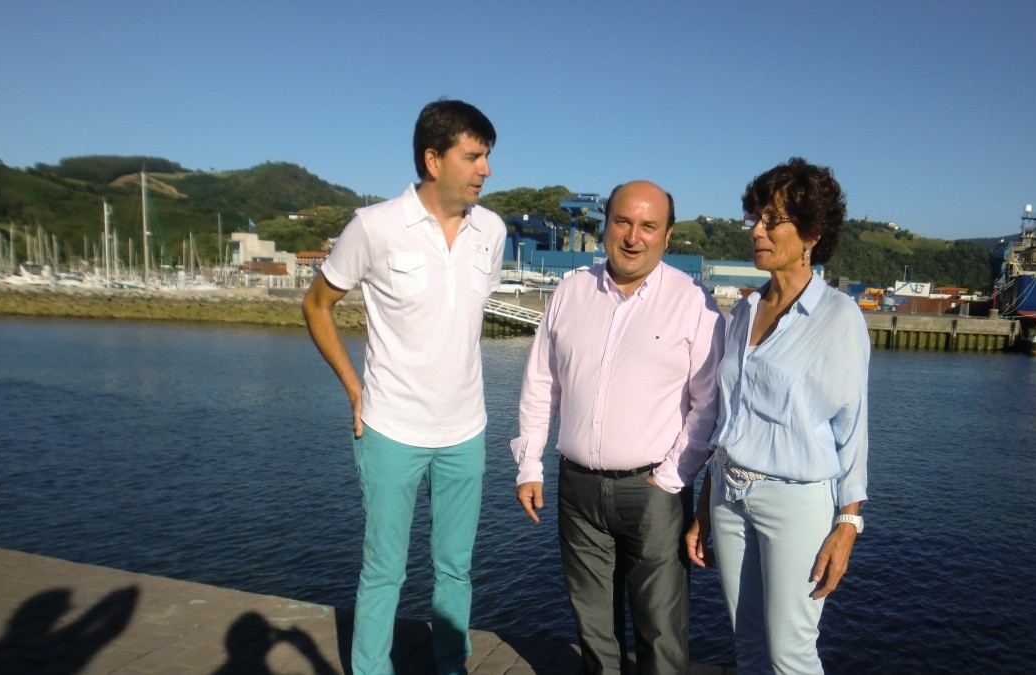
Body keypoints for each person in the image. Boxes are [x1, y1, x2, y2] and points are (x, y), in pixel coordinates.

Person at [302, 99, 505, 675]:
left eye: (487, 156)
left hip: (466, 430)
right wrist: (354, 389)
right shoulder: (374, 227)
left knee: (455, 568)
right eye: (474, 156)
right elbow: (317, 304)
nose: (486, 169)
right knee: (384, 569)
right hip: (391, 430)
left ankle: (451, 667)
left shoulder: (491, 230)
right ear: (433, 160)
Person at [512, 180, 725, 675]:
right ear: (605, 225)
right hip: (577, 489)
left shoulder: (692, 301)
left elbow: (709, 404)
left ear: (667, 235)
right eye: (623, 222)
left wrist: (670, 478)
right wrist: (529, 465)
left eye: (648, 226)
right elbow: (541, 383)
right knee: (593, 628)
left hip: (652, 491)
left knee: (660, 630)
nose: (633, 237)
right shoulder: (571, 292)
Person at [684, 158, 869, 674]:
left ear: (811, 233)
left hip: (795, 501)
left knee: (791, 653)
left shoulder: (838, 317)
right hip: (727, 494)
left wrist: (848, 524)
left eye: (772, 220)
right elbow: (729, 420)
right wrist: (704, 504)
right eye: (755, 218)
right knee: (746, 646)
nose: (757, 231)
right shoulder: (743, 311)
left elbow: (852, 427)